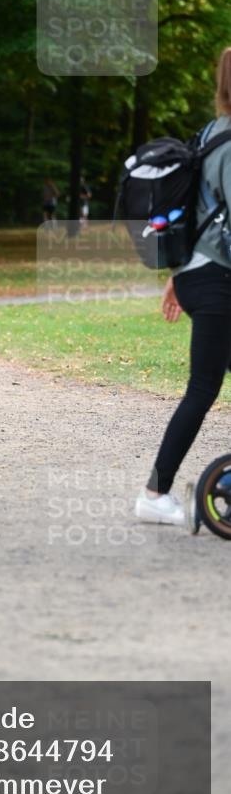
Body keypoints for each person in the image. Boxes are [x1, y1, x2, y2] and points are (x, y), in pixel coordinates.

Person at [135, 47, 231, 525]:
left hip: (199, 275)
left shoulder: (211, 134)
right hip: (216, 281)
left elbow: (199, 211)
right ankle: (155, 493)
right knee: (203, 387)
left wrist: (179, 275)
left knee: (205, 386)